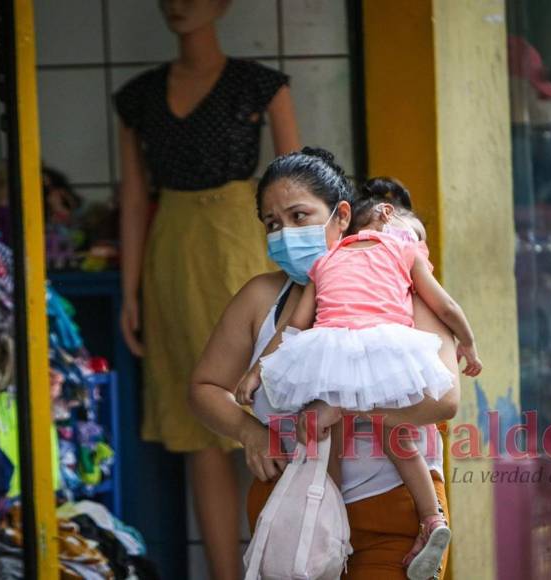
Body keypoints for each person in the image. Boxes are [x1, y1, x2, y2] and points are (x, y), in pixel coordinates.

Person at [189, 148, 461, 579]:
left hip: (393, 512)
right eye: (272, 224)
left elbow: (443, 400)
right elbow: (205, 387)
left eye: (299, 217)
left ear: (341, 217)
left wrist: (341, 408)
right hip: (294, 512)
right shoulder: (260, 298)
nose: (285, 234)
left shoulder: (401, 290)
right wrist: (249, 432)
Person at [113, 0, 299, 577]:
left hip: (246, 244)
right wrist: (130, 292)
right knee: (199, 421)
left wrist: (313, 275)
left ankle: (288, 565)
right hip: (173, 253)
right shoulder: (139, 97)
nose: (179, 4)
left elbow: (299, 184)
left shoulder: (260, 85)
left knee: (274, 406)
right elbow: (133, 198)